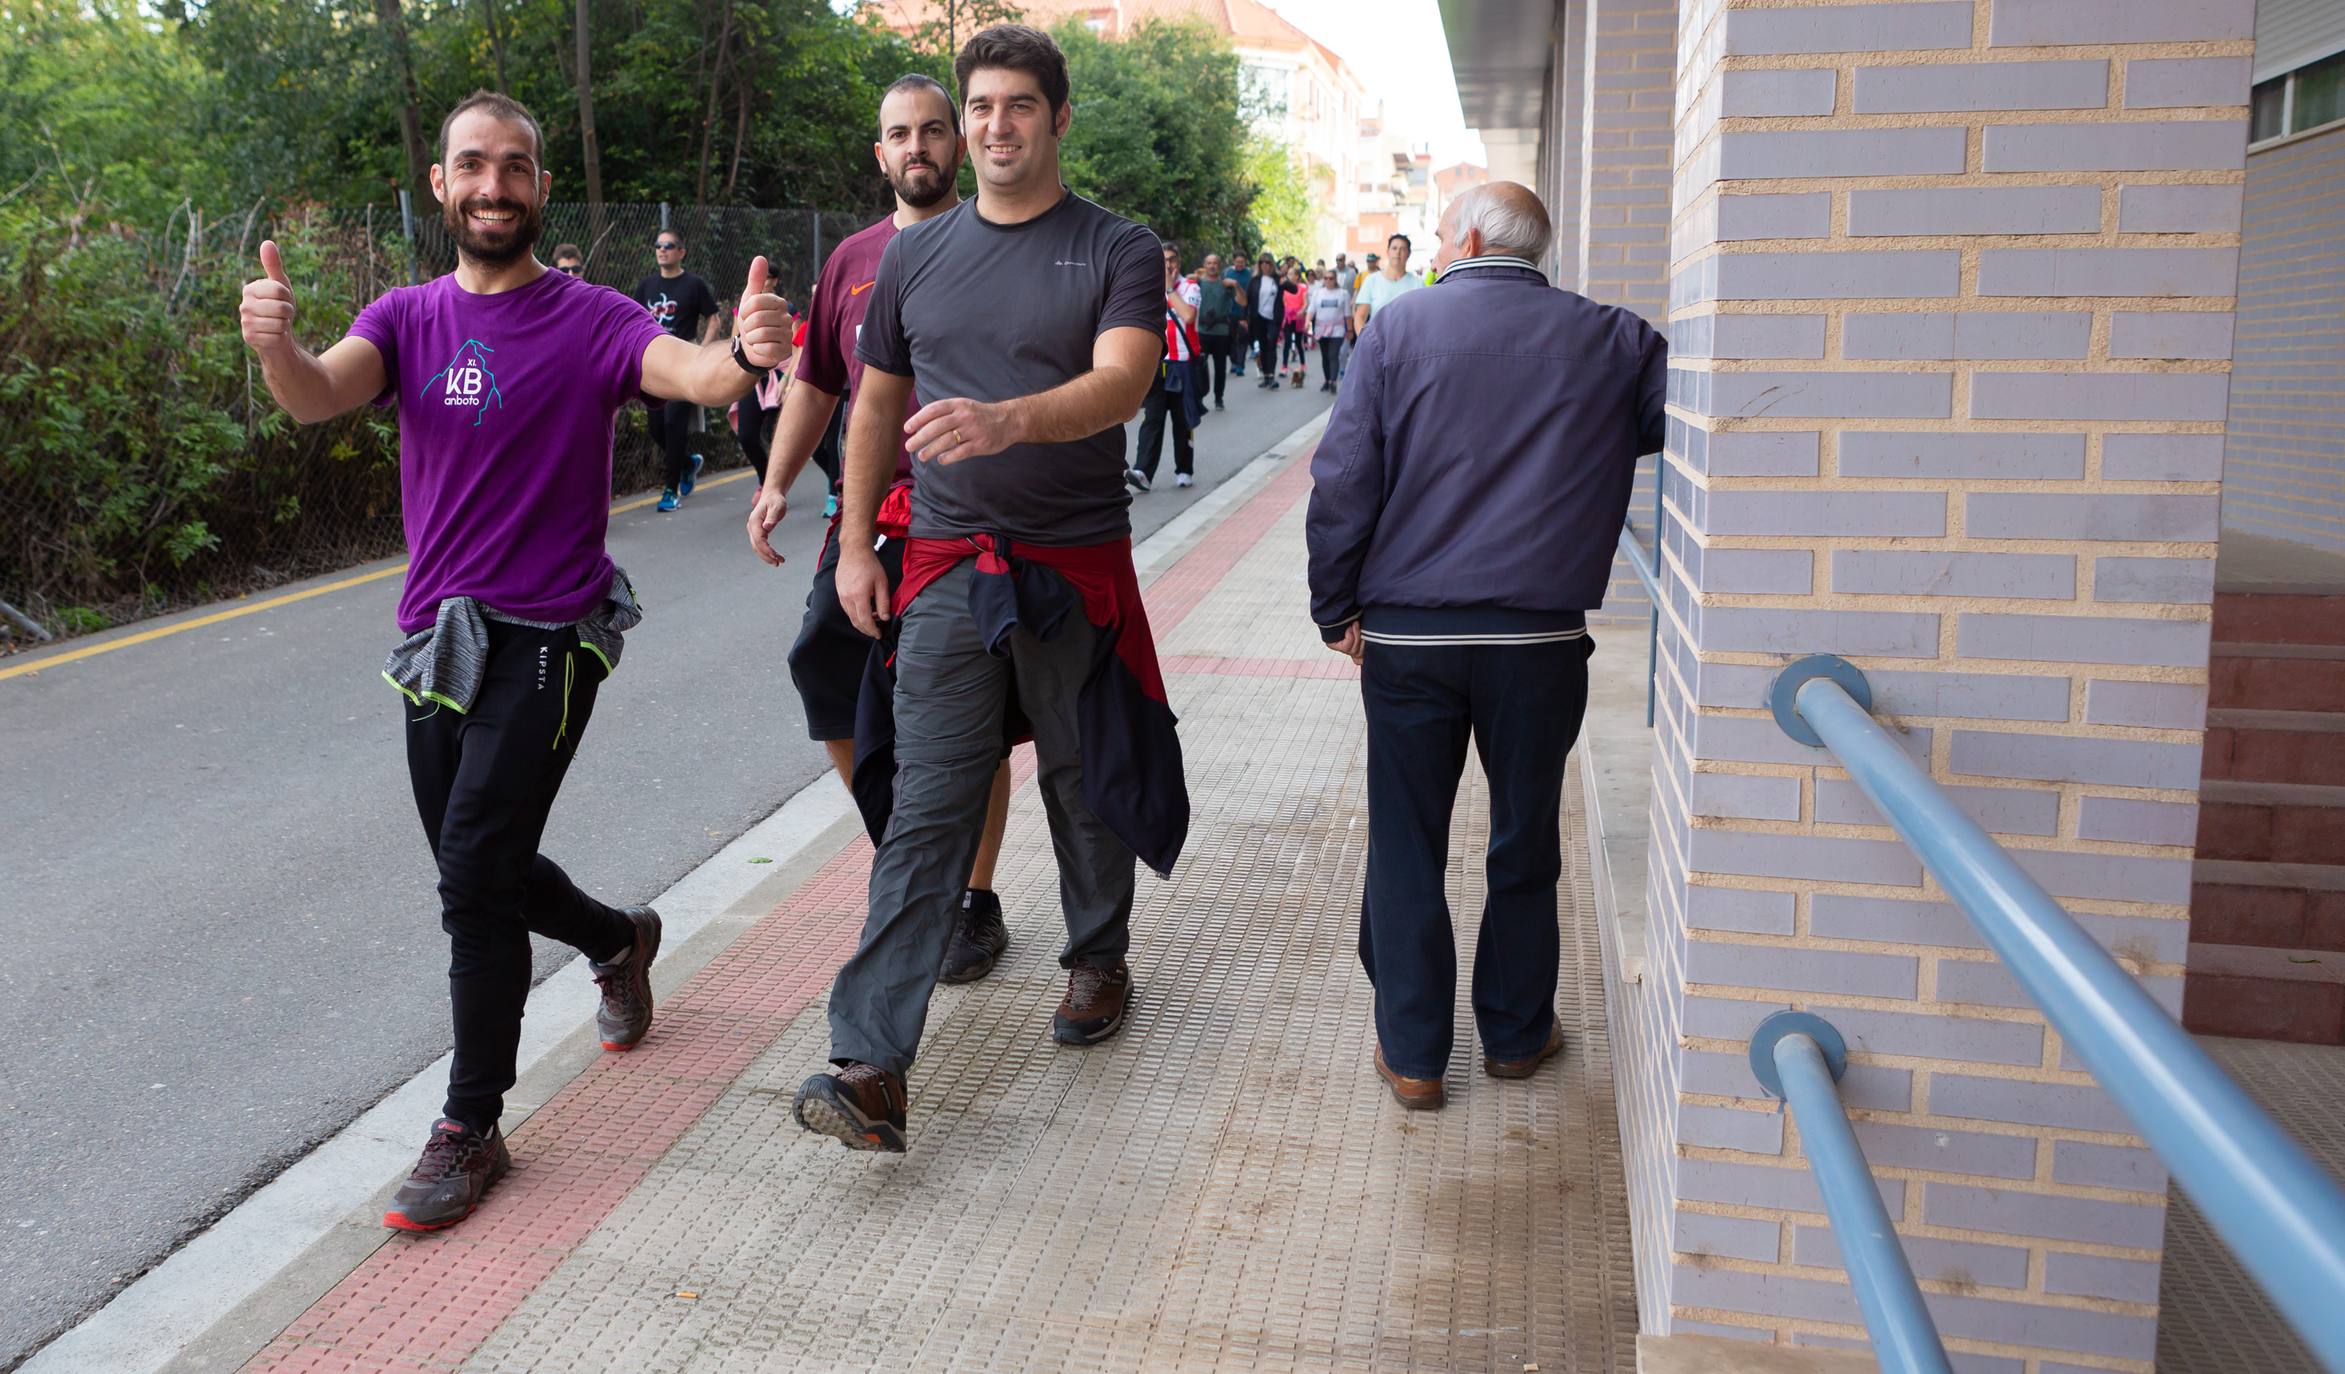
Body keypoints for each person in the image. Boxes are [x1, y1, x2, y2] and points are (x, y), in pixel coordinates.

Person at [237, 90, 791, 1225]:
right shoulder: (402, 316)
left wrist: (741, 353)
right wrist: (276, 346)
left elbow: (691, 376)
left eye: (516, 168)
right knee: (475, 860)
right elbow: (314, 398)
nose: (494, 187)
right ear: (441, 185)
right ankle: (616, 936)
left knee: (469, 876)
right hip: (437, 640)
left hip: (548, 634)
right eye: (473, 167)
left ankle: (470, 1126)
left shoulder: (588, 316)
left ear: (541, 188)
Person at [790, 24, 1187, 1153]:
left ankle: (1096, 959)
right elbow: (872, 405)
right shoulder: (916, 256)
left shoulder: (1114, 245)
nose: (996, 125)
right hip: (947, 569)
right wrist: (857, 544)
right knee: (925, 804)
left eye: (1018, 104)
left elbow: (1122, 381)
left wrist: (1006, 418)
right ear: (961, 129)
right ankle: (869, 1062)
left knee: (1080, 777)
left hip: (1070, 565)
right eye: (979, 108)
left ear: (1057, 118)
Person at [1305, 182, 1664, 1111]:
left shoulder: (1397, 331)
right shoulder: (1617, 340)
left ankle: (1416, 1054)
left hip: (1410, 635)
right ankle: (1513, 1033)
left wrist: (1333, 605)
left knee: (1406, 840)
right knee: (1524, 833)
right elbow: (1679, 424)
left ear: (1463, 238)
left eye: (1436, 232)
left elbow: (1343, 480)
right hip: (1538, 640)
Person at [745, 74, 1022, 981]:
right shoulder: (852, 261)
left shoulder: (998, 246)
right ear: (881, 154)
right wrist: (778, 481)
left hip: (970, 521)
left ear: (960, 142)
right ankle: (909, 858)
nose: (918, 148)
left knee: (968, 716)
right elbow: (820, 384)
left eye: (933, 131)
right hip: (864, 514)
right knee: (821, 671)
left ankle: (971, 900)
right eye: (900, 135)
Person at [633, 229, 722, 511]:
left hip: (683, 364)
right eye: (658, 245)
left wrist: (702, 352)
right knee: (656, 428)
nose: (662, 250)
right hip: (653, 364)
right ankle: (687, 463)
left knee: (673, 423)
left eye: (669, 245)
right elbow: (633, 320)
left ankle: (670, 491)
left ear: (681, 252)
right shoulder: (646, 286)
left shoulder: (693, 284)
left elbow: (714, 319)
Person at [1129, 240, 1202, 492]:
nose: (1168, 264)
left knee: (1182, 420)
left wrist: (1171, 290)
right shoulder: (1150, 288)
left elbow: (1189, 316)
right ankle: (1142, 471)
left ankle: (1184, 469)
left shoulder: (1190, 287)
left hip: (1182, 364)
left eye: (1171, 259)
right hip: (1158, 363)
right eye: (1163, 260)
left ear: (1178, 262)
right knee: (1153, 418)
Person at [1353, 232, 1423, 341]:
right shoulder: (1372, 280)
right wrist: (1365, 341)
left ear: (1409, 254)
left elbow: (1422, 318)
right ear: (1388, 252)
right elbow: (1360, 316)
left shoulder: (1418, 283)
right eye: (1394, 248)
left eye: (1402, 249)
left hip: (1408, 345)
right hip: (1377, 344)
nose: (1398, 252)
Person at [1193, 251, 1240, 410]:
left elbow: (1243, 301)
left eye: (1215, 263)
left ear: (1219, 266)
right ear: (1204, 266)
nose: (1212, 266)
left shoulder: (1226, 284)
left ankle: (1219, 398)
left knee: (1220, 367)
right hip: (1203, 331)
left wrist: (1236, 285)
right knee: (1201, 366)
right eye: (1209, 263)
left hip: (1221, 332)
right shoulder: (1198, 283)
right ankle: (1199, 397)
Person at [1307, 267, 1350, 392]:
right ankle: (1326, 380)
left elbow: (1348, 314)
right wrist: (1307, 322)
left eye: (1331, 278)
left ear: (1335, 279)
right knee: (1325, 356)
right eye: (1326, 278)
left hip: (1337, 329)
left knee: (1333, 355)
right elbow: (1311, 310)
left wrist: (1350, 330)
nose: (1328, 280)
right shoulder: (1318, 293)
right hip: (1321, 329)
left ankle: (1333, 381)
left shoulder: (1343, 293)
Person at [1251, 250, 1282, 388]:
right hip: (1258, 318)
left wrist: (1285, 279)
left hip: (1273, 318)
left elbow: (1293, 290)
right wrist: (1245, 318)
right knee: (1263, 347)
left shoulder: (1278, 279)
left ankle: (1272, 376)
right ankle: (1266, 375)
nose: (1265, 265)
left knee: (1271, 344)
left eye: (1267, 262)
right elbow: (1248, 298)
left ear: (1272, 264)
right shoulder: (1255, 280)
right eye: (1262, 262)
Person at [1281, 267, 1309, 387]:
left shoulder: (1302, 287)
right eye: (1288, 274)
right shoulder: (1285, 288)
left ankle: (1303, 364)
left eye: (1292, 274)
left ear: (1297, 276)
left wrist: (1302, 311)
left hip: (1298, 317)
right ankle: (1284, 366)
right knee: (1287, 342)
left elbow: (1305, 302)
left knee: (1298, 342)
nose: (1290, 276)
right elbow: (1284, 302)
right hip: (1288, 317)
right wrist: (1285, 312)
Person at [1227, 249, 1253, 378]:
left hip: (1245, 311)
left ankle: (1240, 365)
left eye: (1242, 262)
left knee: (1243, 339)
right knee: (1231, 338)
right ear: (1233, 261)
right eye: (1237, 262)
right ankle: (1233, 361)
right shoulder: (1228, 273)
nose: (1239, 264)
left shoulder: (1250, 274)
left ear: (1245, 262)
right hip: (1230, 310)